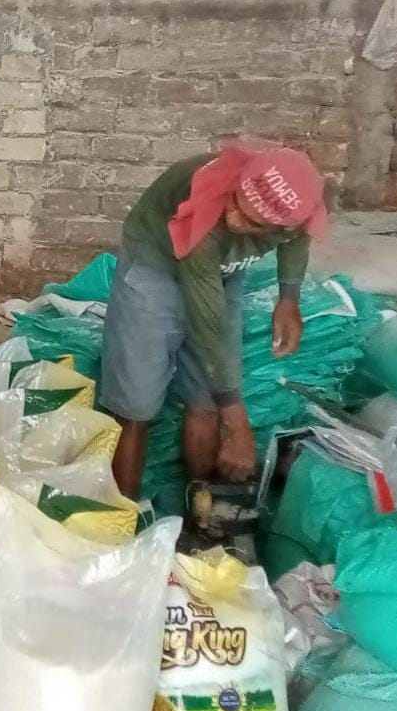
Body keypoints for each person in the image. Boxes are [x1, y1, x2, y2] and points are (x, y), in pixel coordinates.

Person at [99, 141, 328, 500]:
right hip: (156, 263)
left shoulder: (295, 208)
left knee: (205, 399)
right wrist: (237, 425)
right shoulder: (205, 212)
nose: (235, 219)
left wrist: (288, 299)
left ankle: (201, 508)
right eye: (236, 202)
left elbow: (296, 238)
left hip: (222, 269)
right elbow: (208, 325)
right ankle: (121, 518)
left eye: (253, 222)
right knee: (136, 403)